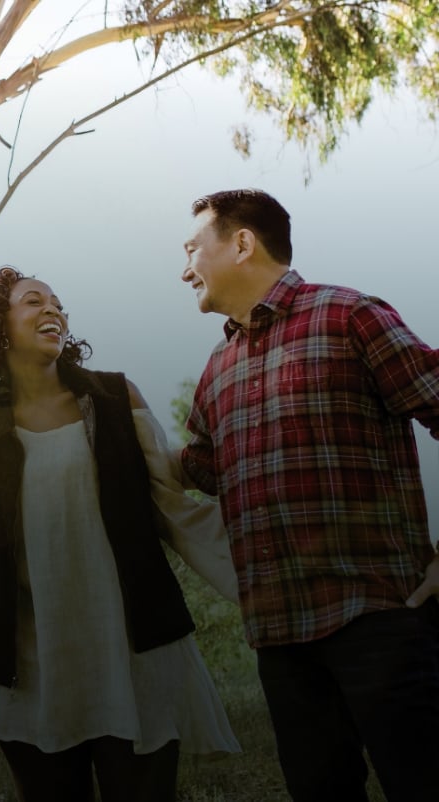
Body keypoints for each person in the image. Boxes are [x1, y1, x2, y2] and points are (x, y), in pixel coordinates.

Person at [0, 266, 241, 802]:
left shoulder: (115, 400)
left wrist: (265, 567)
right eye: (33, 300)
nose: (53, 309)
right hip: (29, 676)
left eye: (58, 303)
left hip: (133, 661)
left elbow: (173, 509)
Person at [178, 188, 439, 802]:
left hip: (380, 619)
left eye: (192, 249)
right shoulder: (217, 368)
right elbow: (196, 470)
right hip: (280, 641)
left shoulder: (350, 316)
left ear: (242, 243)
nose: (184, 269)